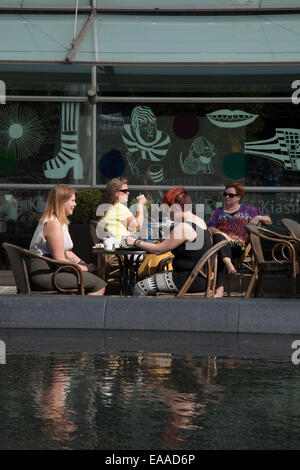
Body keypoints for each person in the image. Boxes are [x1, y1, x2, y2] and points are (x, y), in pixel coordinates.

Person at [125, 187, 211, 296]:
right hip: (199, 278)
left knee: (140, 287)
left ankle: (144, 313)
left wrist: (135, 242)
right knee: (149, 279)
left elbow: (158, 250)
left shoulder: (184, 227)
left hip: (187, 279)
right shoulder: (200, 221)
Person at [29, 184, 106, 295]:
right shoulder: (53, 224)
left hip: (53, 270)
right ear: (61, 202)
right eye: (72, 201)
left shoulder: (61, 223)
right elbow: (60, 260)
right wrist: (85, 269)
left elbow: (67, 252)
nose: (75, 204)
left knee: (94, 277)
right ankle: (85, 312)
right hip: (45, 273)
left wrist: (83, 264)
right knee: (98, 284)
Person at [207, 181, 272, 298]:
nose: (227, 197)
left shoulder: (249, 210)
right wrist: (222, 234)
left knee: (219, 248)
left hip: (239, 246)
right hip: (221, 243)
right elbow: (210, 227)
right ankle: (228, 266)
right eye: (225, 194)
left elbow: (269, 221)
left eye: (230, 195)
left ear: (239, 197)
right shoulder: (218, 211)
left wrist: (258, 217)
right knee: (219, 243)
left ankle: (220, 288)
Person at [96, 177, 147, 242]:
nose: (128, 193)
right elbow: (137, 227)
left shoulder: (107, 207)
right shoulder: (119, 208)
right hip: (122, 248)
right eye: (125, 191)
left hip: (114, 247)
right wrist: (141, 204)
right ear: (115, 193)